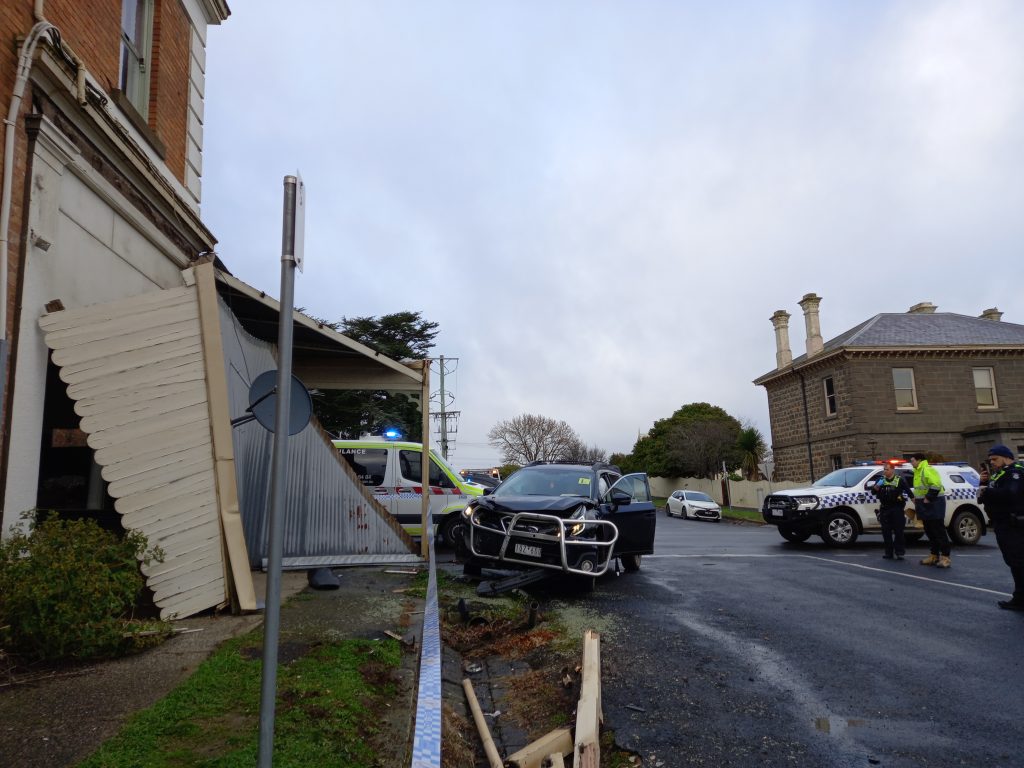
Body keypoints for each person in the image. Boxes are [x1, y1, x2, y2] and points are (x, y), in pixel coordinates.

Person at [978, 444, 1024, 611]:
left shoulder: (1015, 473)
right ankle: (1019, 597)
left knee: (1018, 561)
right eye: (990, 460)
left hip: (1013, 524)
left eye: (995, 459)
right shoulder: (999, 474)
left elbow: (1010, 493)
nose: (992, 462)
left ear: (1006, 457)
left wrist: (986, 491)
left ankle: (1020, 598)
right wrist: (983, 483)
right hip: (1002, 523)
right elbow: (986, 496)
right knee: (1013, 561)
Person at [909, 453, 950, 567]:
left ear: (919, 460)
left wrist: (928, 497)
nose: (911, 463)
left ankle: (945, 557)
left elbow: (936, 484)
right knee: (930, 531)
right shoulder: (917, 471)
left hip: (934, 504)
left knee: (939, 531)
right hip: (924, 505)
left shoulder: (927, 469)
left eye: (912, 461)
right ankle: (934, 555)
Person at [871, 462, 914, 560]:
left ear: (892, 470)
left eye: (887, 469)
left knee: (899, 531)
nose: (885, 471)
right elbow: (873, 492)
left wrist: (916, 503)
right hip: (885, 509)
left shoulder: (899, 480)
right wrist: (877, 486)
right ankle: (888, 553)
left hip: (897, 508)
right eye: (884, 469)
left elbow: (909, 492)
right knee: (886, 532)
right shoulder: (881, 480)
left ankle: (899, 552)